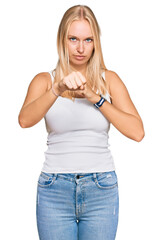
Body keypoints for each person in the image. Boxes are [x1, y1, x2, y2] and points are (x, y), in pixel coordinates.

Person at [18, 4, 145, 240]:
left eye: (88, 40)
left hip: (101, 188)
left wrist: (94, 97)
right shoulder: (45, 81)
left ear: (96, 42)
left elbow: (137, 132)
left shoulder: (110, 80)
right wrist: (57, 89)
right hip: (54, 188)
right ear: (61, 40)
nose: (80, 48)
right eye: (73, 39)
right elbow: (25, 120)